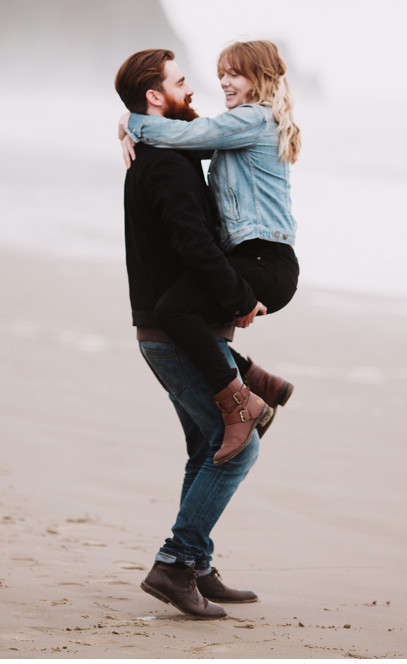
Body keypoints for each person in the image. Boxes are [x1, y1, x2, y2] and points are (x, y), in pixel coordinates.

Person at [114, 49, 292, 618]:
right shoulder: (165, 159)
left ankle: (196, 565)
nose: (199, 88)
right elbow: (194, 243)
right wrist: (241, 297)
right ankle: (176, 562)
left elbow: (202, 136)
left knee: (205, 447)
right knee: (237, 451)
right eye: (182, 82)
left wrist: (126, 122)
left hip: (171, 330)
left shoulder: (164, 148)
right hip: (171, 333)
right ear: (154, 96)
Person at [118, 40, 299, 464]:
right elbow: (188, 143)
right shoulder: (239, 126)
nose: (223, 81)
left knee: (174, 311)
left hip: (265, 262)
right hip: (253, 258)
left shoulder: (253, 119)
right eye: (222, 72)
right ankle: (258, 380)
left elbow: (187, 133)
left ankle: (242, 404)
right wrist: (130, 127)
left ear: (260, 79)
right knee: (181, 310)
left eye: (235, 73)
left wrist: (131, 121)